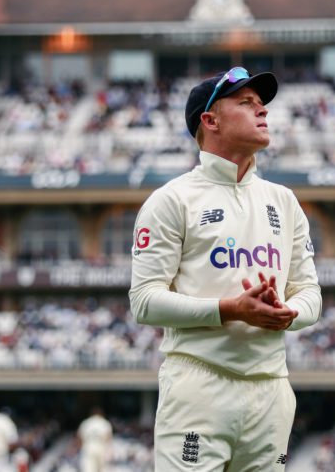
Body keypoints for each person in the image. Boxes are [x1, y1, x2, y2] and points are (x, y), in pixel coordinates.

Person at [130, 67, 322, 471]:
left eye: (262, 104)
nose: (262, 111)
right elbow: (144, 301)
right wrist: (230, 309)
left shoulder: (284, 201)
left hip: (272, 389)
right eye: (246, 103)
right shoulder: (172, 200)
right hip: (200, 383)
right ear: (210, 120)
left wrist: (289, 315)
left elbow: (309, 293)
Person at [77, 407, 113, 472]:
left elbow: (79, 437)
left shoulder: (86, 423)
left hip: (88, 448)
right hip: (101, 448)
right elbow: (108, 437)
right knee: (102, 469)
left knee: (89, 469)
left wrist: (81, 447)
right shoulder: (104, 422)